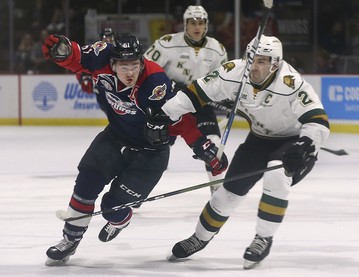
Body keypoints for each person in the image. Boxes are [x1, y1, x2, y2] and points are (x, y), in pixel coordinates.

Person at [41, 33, 228, 266]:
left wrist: (202, 144)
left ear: (141, 62)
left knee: (111, 209)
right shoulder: (101, 56)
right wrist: (64, 51)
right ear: (113, 63)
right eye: (123, 66)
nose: (130, 72)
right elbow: (76, 57)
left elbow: (178, 118)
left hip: (151, 154)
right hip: (116, 137)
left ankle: (120, 220)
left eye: (134, 65)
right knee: (85, 184)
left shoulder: (154, 81)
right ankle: (69, 241)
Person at [158, 35, 330, 269]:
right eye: (251, 59)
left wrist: (306, 145)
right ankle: (200, 237)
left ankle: (263, 238)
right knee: (226, 194)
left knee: (275, 175)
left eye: (261, 61)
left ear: (275, 64)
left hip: (292, 143)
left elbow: (318, 120)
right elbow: (196, 92)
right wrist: (164, 113)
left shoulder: (291, 83)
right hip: (258, 140)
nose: (253, 67)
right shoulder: (234, 72)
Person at [144, 5, 228, 194]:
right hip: (170, 104)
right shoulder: (166, 44)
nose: (197, 27)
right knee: (156, 150)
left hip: (200, 104)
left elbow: (223, 81)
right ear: (185, 24)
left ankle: (217, 192)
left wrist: (226, 97)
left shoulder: (217, 50)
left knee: (213, 144)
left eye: (201, 23)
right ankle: (139, 188)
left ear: (206, 25)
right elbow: (144, 70)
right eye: (192, 23)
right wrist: (165, 84)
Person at [76, 27, 116, 94]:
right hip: (103, 88)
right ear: (101, 38)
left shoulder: (118, 49)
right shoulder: (95, 50)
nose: (108, 39)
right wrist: (85, 76)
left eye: (110, 37)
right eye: (105, 37)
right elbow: (82, 62)